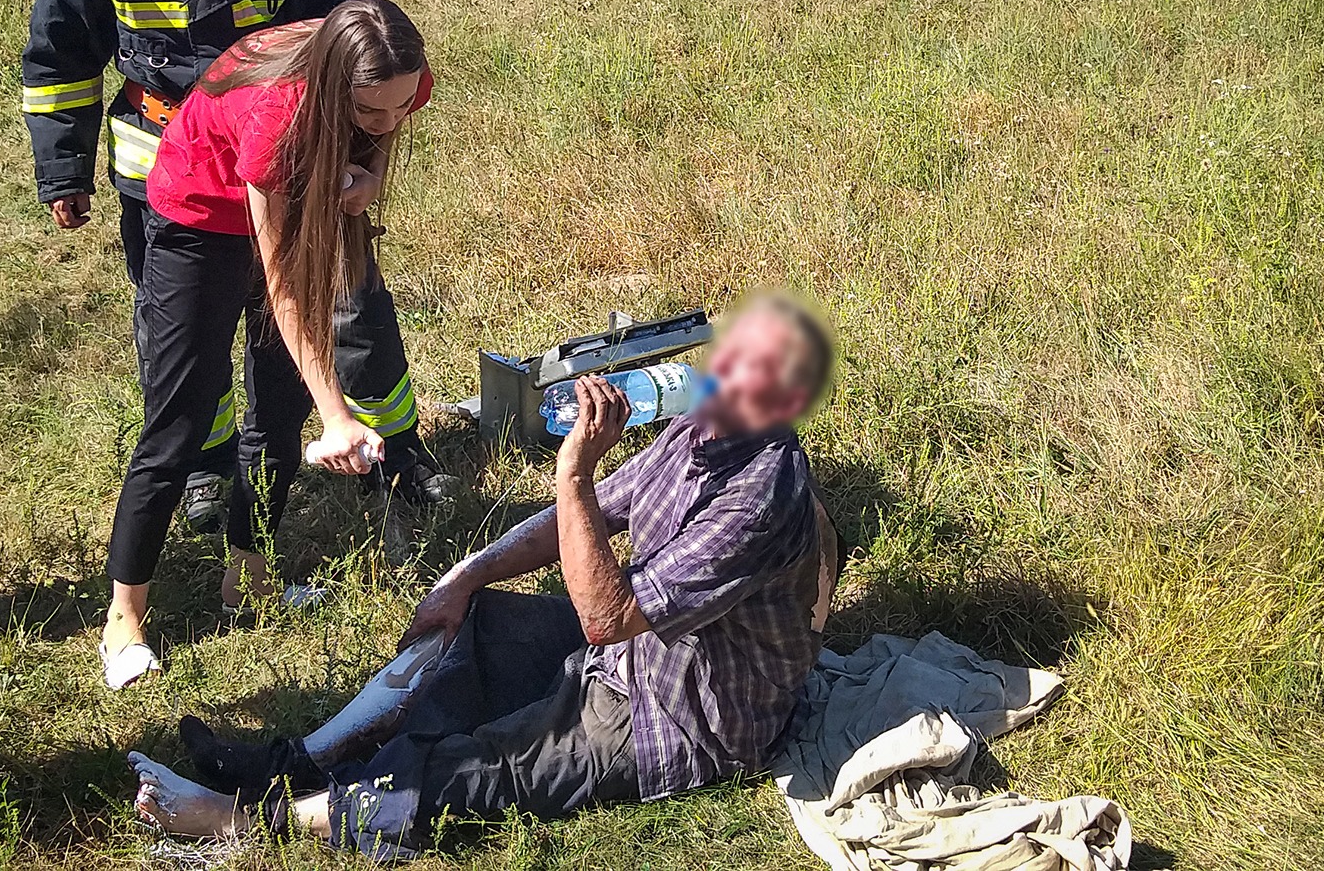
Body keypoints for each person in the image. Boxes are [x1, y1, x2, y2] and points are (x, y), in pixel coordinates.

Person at [127, 296, 837, 856]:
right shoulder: (704, 428)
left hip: (681, 715)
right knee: (472, 624)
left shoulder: (759, 496)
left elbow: (604, 615)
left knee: (479, 769)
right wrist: (466, 576)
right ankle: (297, 759)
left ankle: (244, 817)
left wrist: (572, 470)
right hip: (633, 653)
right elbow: (603, 514)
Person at [23, 0, 454, 545]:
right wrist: (62, 166)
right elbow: (60, 57)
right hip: (164, 176)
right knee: (185, 332)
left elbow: (349, 50)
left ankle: (396, 448)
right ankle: (207, 467)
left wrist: (358, 165)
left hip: (296, 164)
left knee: (347, 304)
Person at [98, 0, 435, 690]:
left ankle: (246, 581)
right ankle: (123, 617)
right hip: (199, 215)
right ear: (333, 86)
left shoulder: (397, 77)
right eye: (370, 113)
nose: (391, 120)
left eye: (402, 107)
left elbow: (381, 128)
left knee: (279, 411)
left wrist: (368, 167)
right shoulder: (278, 115)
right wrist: (338, 415)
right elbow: (284, 287)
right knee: (180, 420)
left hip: (288, 192)